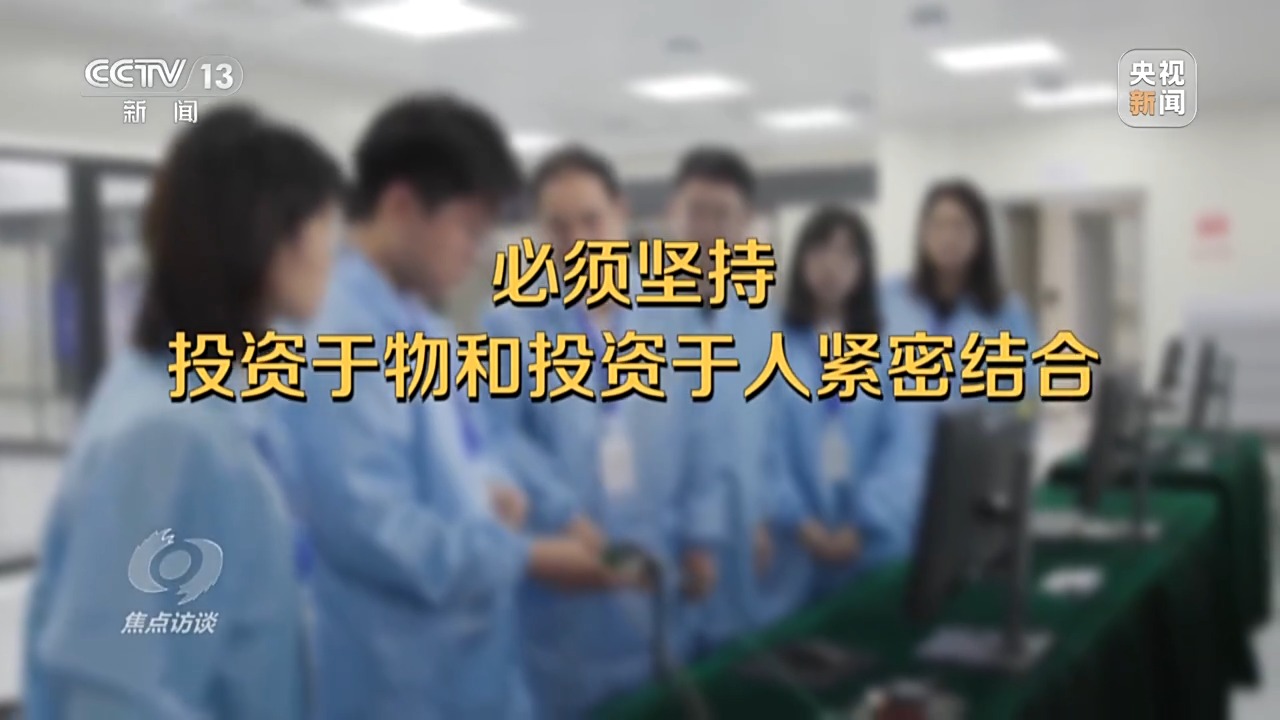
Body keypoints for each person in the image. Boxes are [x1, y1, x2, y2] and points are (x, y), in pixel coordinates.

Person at [277, 96, 620, 720]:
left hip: (468, 661)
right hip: (395, 677)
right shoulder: (335, 333)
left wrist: (489, 487)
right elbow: (374, 527)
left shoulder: (421, 323)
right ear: (402, 207)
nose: (477, 252)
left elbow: (467, 443)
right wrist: (528, 556)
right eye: (468, 228)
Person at [23, 106, 343, 720]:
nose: (333, 254)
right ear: (270, 237)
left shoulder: (187, 391)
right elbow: (114, 696)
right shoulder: (169, 436)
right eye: (326, 227)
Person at [480, 146, 725, 719]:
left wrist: (702, 533)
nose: (577, 242)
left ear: (620, 213)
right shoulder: (510, 325)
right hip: (568, 595)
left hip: (662, 569)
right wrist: (563, 511)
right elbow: (496, 440)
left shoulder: (672, 313)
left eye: (591, 221)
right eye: (558, 227)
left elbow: (702, 430)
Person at [657, 147, 802, 651]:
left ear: (746, 224)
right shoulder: (633, 312)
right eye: (696, 212)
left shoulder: (758, 314)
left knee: (734, 662)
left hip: (743, 529)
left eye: (723, 215)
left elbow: (770, 428)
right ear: (672, 214)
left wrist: (763, 511)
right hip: (668, 536)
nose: (708, 230)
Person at [766, 207, 929, 611]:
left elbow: (904, 452)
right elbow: (762, 449)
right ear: (801, 261)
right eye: (820, 251)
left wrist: (864, 526)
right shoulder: (771, 348)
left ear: (863, 268)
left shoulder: (888, 353)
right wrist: (801, 524)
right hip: (795, 552)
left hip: (872, 549)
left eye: (846, 254)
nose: (831, 266)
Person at [881, 180, 1039, 418]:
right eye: (938, 225)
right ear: (923, 233)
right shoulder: (890, 300)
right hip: (904, 438)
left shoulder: (1007, 311)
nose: (948, 237)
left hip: (979, 438)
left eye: (959, 226)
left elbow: (1030, 395)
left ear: (980, 235)